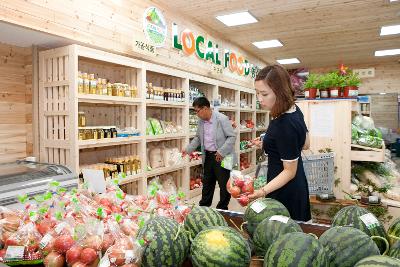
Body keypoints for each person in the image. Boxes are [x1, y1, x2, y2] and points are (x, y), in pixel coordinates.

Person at [248, 65, 311, 221]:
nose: (259, 99)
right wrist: (268, 142)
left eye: (264, 94)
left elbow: (289, 171)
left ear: (280, 92)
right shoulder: (293, 109)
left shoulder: (284, 124)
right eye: (257, 93)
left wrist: (262, 191)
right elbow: (305, 143)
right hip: (295, 183)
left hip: (285, 189)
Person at [182, 97, 236, 210]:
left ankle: (222, 208)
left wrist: (221, 151)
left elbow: (232, 136)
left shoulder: (222, 119)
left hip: (223, 156)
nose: (196, 114)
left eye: (197, 111)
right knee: (207, 182)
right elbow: (198, 138)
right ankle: (204, 206)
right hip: (208, 156)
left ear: (205, 108)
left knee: (224, 184)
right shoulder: (201, 122)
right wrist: (187, 150)